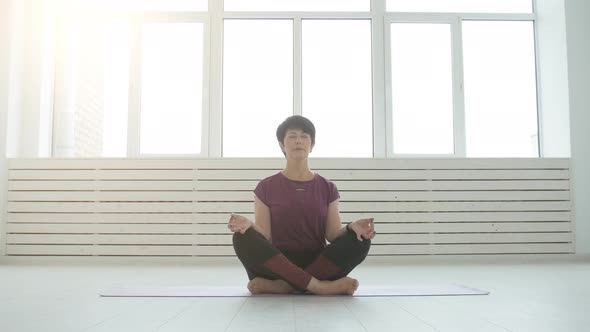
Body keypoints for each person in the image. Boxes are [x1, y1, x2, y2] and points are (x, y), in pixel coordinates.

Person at [227, 115, 376, 295]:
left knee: (360, 240)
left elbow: (332, 234)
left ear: (312, 145)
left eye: (305, 136)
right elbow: (264, 234)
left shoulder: (328, 187)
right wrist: (249, 225)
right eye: (292, 136)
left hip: (318, 262)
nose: (298, 140)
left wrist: (352, 227)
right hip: (277, 263)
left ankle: (285, 286)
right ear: (282, 145)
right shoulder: (265, 187)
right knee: (242, 238)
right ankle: (318, 287)